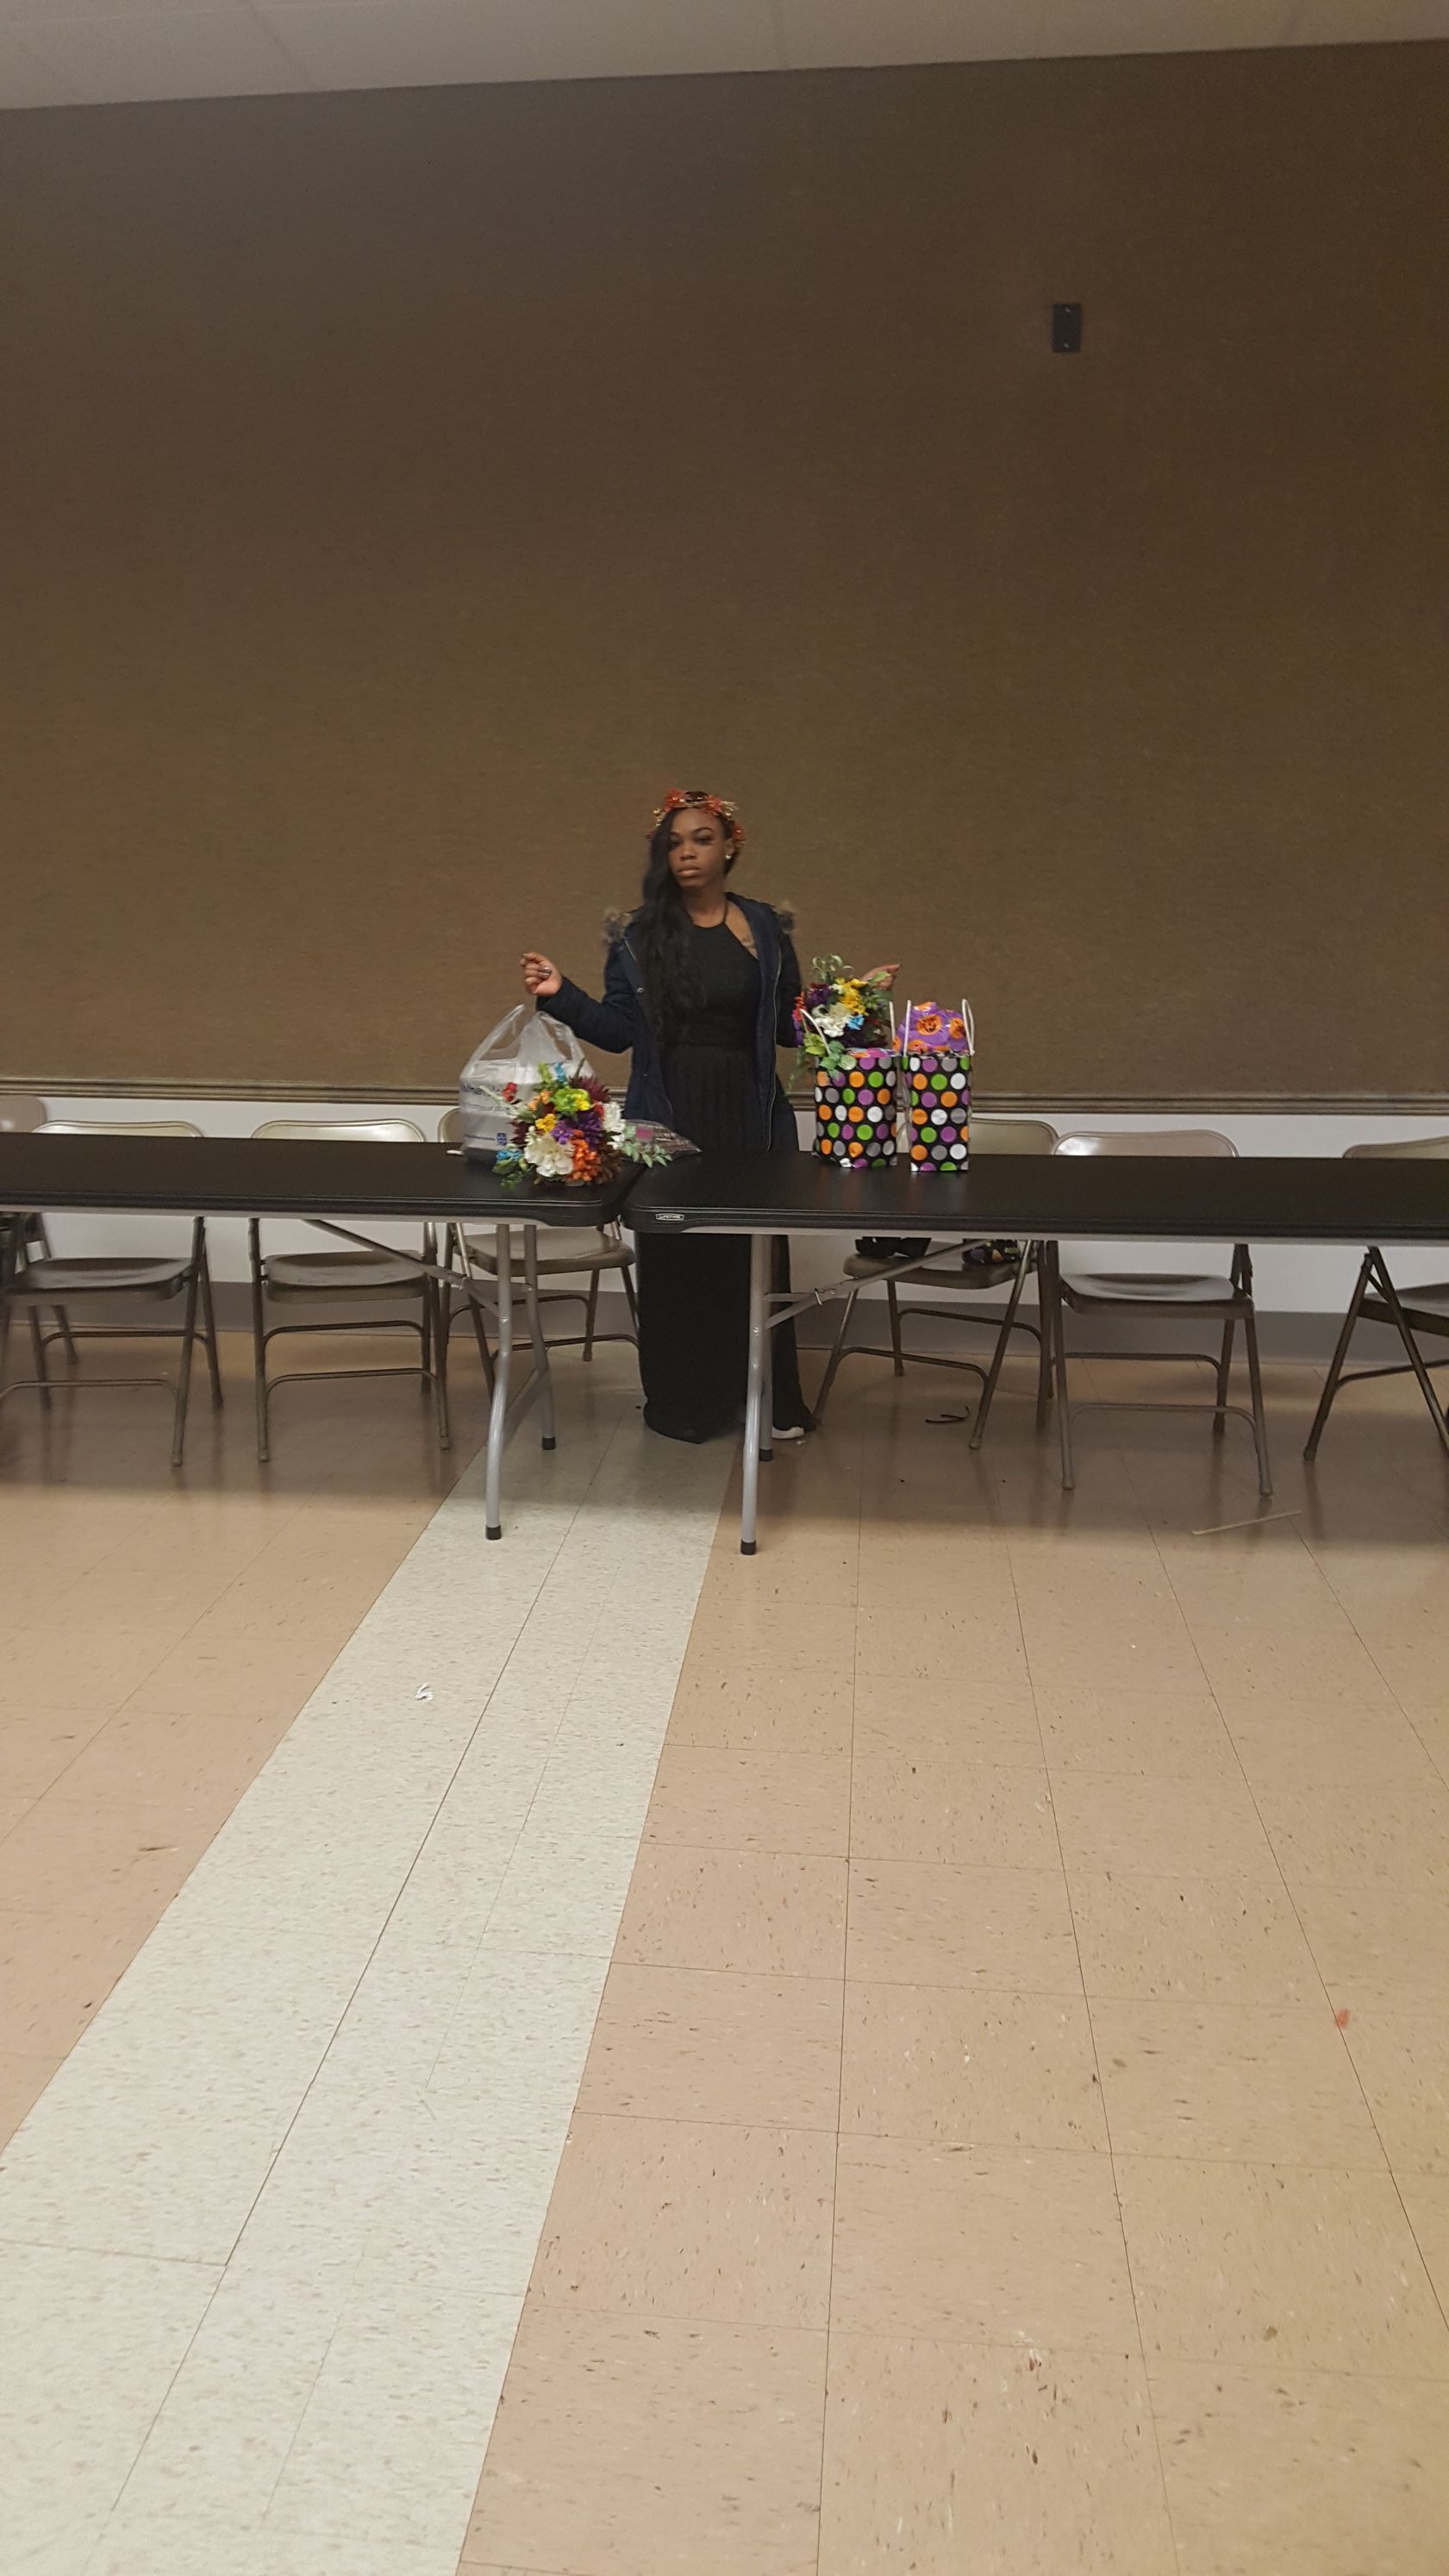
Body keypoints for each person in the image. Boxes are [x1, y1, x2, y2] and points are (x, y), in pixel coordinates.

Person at [521, 789, 814, 1446]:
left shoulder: (764, 926)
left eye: (701, 838)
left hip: (750, 1112)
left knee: (754, 1256)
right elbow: (620, 1030)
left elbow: (788, 1024)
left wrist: (847, 1005)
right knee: (679, 1258)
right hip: (667, 1115)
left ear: (729, 846)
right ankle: (687, 1403)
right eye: (674, 842)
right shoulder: (637, 935)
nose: (686, 852)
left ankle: (768, 1399)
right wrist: (561, 995)